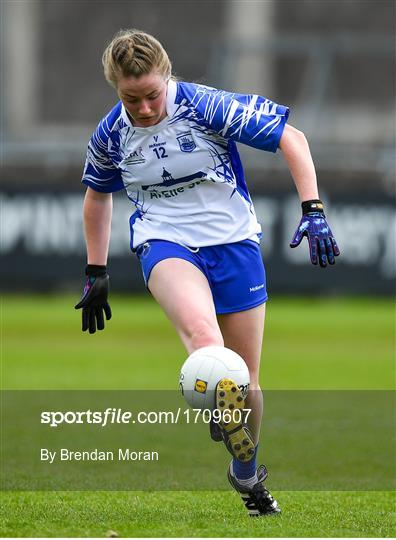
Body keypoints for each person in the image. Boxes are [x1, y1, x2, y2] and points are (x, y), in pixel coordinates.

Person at [75, 29, 340, 517]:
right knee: (203, 336)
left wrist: (313, 207)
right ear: (116, 88)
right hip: (165, 241)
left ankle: (246, 474)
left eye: (153, 95)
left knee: (248, 381)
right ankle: (216, 393)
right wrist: (96, 268)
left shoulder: (206, 106)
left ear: (167, 77)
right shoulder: (112, 133)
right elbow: (97, 194)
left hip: (234, 242)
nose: (146, 109)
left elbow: (291, 138)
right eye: (131, 99)